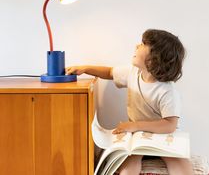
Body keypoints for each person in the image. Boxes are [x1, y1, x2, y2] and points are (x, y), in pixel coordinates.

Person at [66, 29, 193, 175]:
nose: (136, 46)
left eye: (143, 44)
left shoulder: (167, 91)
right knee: (128, 164)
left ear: (155, 58)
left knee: (180, 162)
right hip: (138, 137)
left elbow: (170, 125)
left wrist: (134, 125)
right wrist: (85, 68)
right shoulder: (133, 73)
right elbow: (109, 72)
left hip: (162, 136)